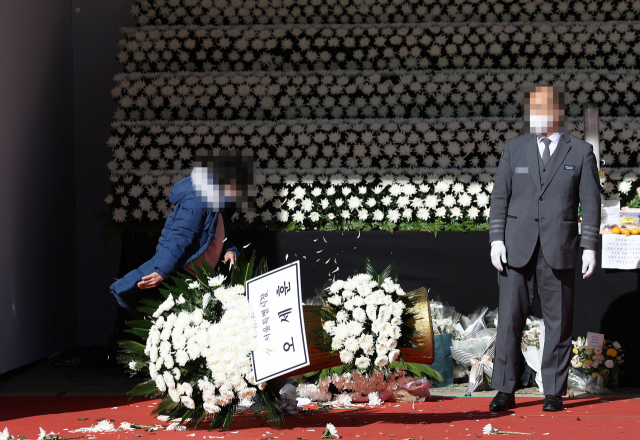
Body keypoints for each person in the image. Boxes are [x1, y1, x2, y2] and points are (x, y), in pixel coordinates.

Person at [488, 85, 601, 412]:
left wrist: (590, 246)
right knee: (509, 320)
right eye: (533, 108)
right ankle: (505, 389)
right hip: (516, 248)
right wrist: (496, 239)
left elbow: (590, 204)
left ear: (559, 112)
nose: (538, 115)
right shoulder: (514, 149)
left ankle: (553, 390)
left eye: (545, 109)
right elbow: (499, 198)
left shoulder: (579, 151)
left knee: (559, 321)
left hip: (560, 248)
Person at [110, 149, 255, 314]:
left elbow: (212, 233)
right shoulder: (197, 199)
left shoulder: (216, 199)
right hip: (179, 277)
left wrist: (228, 249)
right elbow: (179, 237)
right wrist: (161, 271)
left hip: (198, 277)